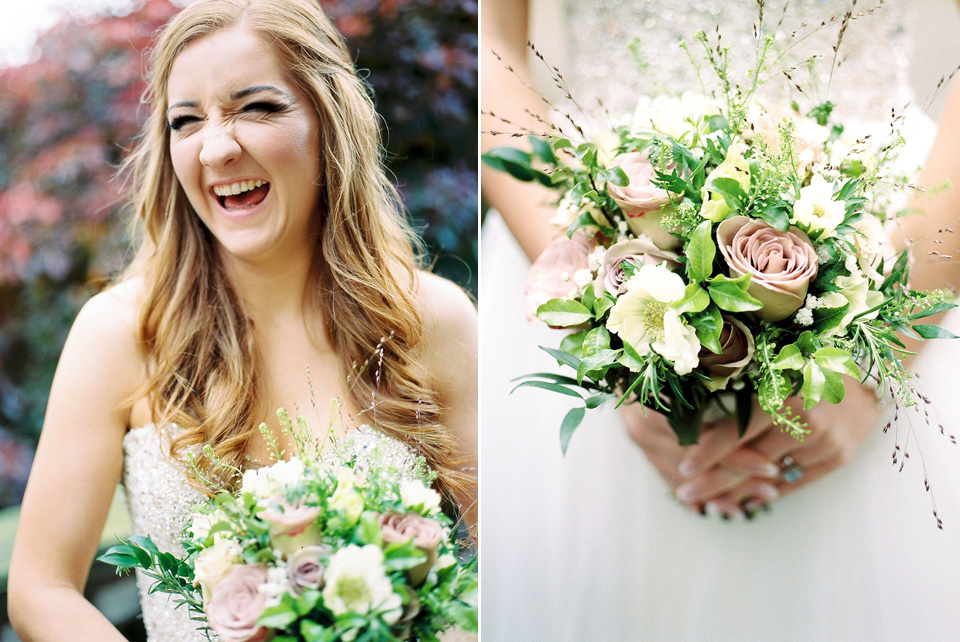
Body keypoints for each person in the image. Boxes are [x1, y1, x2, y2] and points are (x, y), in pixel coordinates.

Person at [481, 0, 960, 639]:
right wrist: (604, 315)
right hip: (588, 216)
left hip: (892, 234)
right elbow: (491, 38)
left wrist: (882, 349)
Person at [7, 0, 478, 639]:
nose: (217, 148)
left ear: (329, 122)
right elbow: (41, 589)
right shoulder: (118, 334)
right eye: (186, 121)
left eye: (257, 108)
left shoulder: (434, 319)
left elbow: (510, 561)